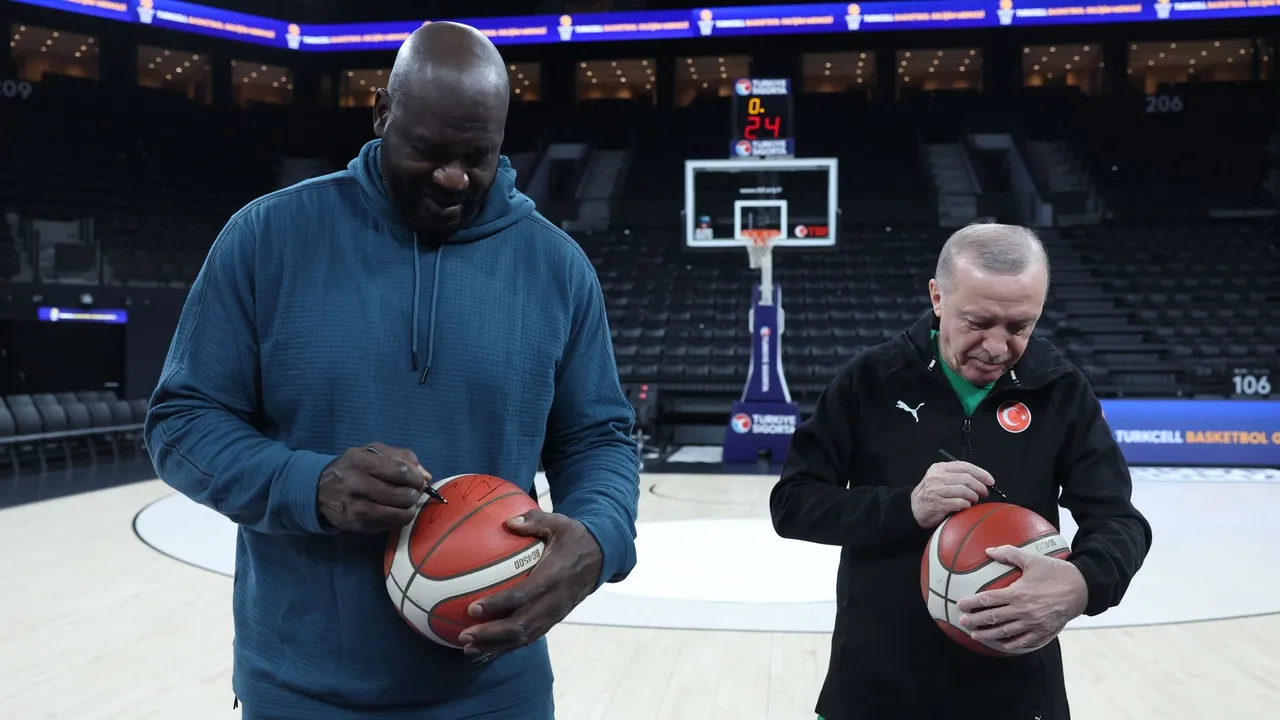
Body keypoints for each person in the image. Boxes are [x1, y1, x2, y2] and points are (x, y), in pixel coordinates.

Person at [144, 22, 640, 720]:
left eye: (479, 156)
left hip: (494, 693)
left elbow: (598, 439)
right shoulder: (266, 237)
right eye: (430, 152)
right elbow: (181, 424)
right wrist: (309, 485)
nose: (454, 178)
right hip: (300, 690)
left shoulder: (556, 268)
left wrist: (600, 532)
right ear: (382, 113)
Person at [769, 223, 1152, 720]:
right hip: (876, 682)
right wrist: (905, 506)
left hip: (1016, 689)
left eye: (1020, 327)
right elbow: (793, 503)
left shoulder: (1059, 389)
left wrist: (1082, 582)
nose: (997, 346)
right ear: (938, 296)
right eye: (979, 322)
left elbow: (1119, 520)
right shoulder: (870, 380)